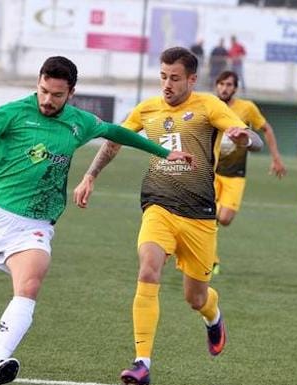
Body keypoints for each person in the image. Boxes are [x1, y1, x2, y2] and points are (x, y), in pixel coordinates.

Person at [0, 56, 194, 385]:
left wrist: (164, 152)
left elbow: (117, 132)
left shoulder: (79, 122)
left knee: (29, 286)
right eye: (43, 91)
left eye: (56, 95)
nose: (47, 100)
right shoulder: (13, 112)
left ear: (71, 93)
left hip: (35, 225)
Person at [73, 47, 257, 385]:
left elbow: (244, 133)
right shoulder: (147, 109)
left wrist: (242, 136)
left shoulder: (208, 106)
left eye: (174, 78)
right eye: (163, 77)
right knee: (148, 267)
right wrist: (90, 175)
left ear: (191, 79)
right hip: (158, 205)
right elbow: (115, 140)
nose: (167, 85)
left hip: (199, 216)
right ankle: (142, 362)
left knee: (195, 297)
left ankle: (213, 315)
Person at [212, 70, 283, 273]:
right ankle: (212, 260)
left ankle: (204, 212)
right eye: (222, 84)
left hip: (235, 174)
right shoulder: (210, 105)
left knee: (224, 219)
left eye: (229, 85)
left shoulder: (247, 108)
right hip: (212, 171)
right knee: (209, 218)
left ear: (235, 88)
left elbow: (266, 128)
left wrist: (276, 157)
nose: (225, 88)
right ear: (217, 85)